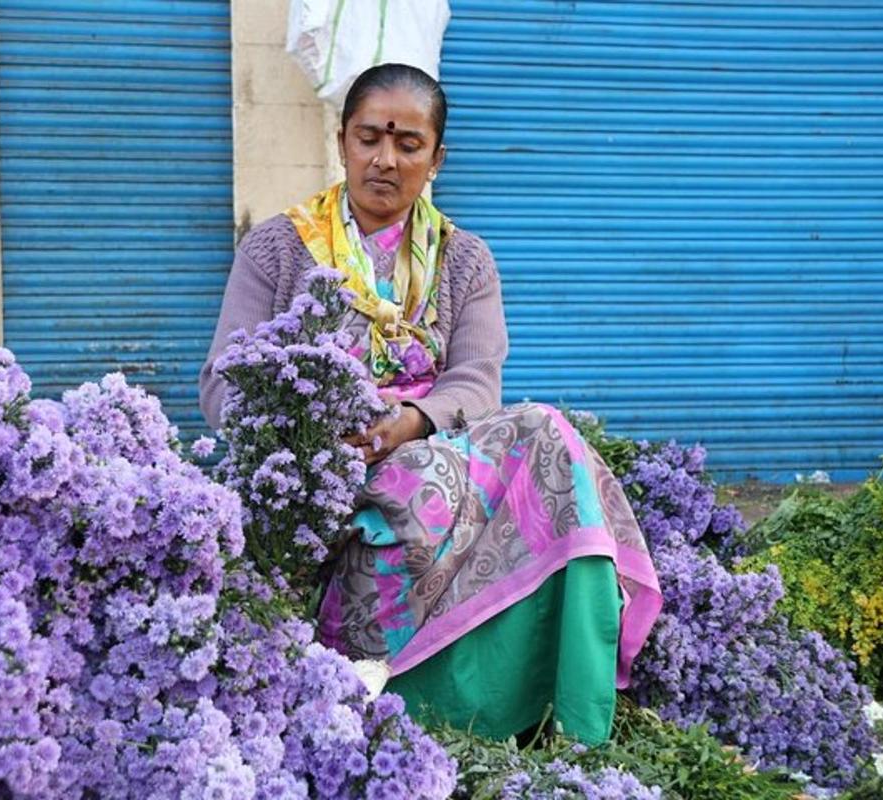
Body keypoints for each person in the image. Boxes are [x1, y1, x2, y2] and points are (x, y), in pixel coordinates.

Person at [200, 63, 661, 745]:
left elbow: (478, 379)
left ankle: (559, 705)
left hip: (428, 452)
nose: (385, 160)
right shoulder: (277, 248)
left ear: (436, 158)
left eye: (408, 144)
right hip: (317, 472)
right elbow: (223, 379)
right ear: (341, 140)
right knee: (414, 492)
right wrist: (308, 436)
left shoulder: (465, 259)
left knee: (545, 433)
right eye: (369, 138)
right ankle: (383, 692)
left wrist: (410, 422)